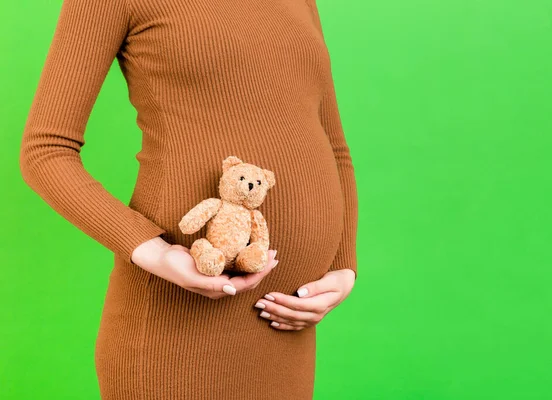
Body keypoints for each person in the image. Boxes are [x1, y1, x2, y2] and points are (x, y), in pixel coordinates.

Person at [19, 0, 359, 398]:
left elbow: (334, 147)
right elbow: (45, 150)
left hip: (285, 328)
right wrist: (155, 253)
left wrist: (341, 266)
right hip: (177, 332)